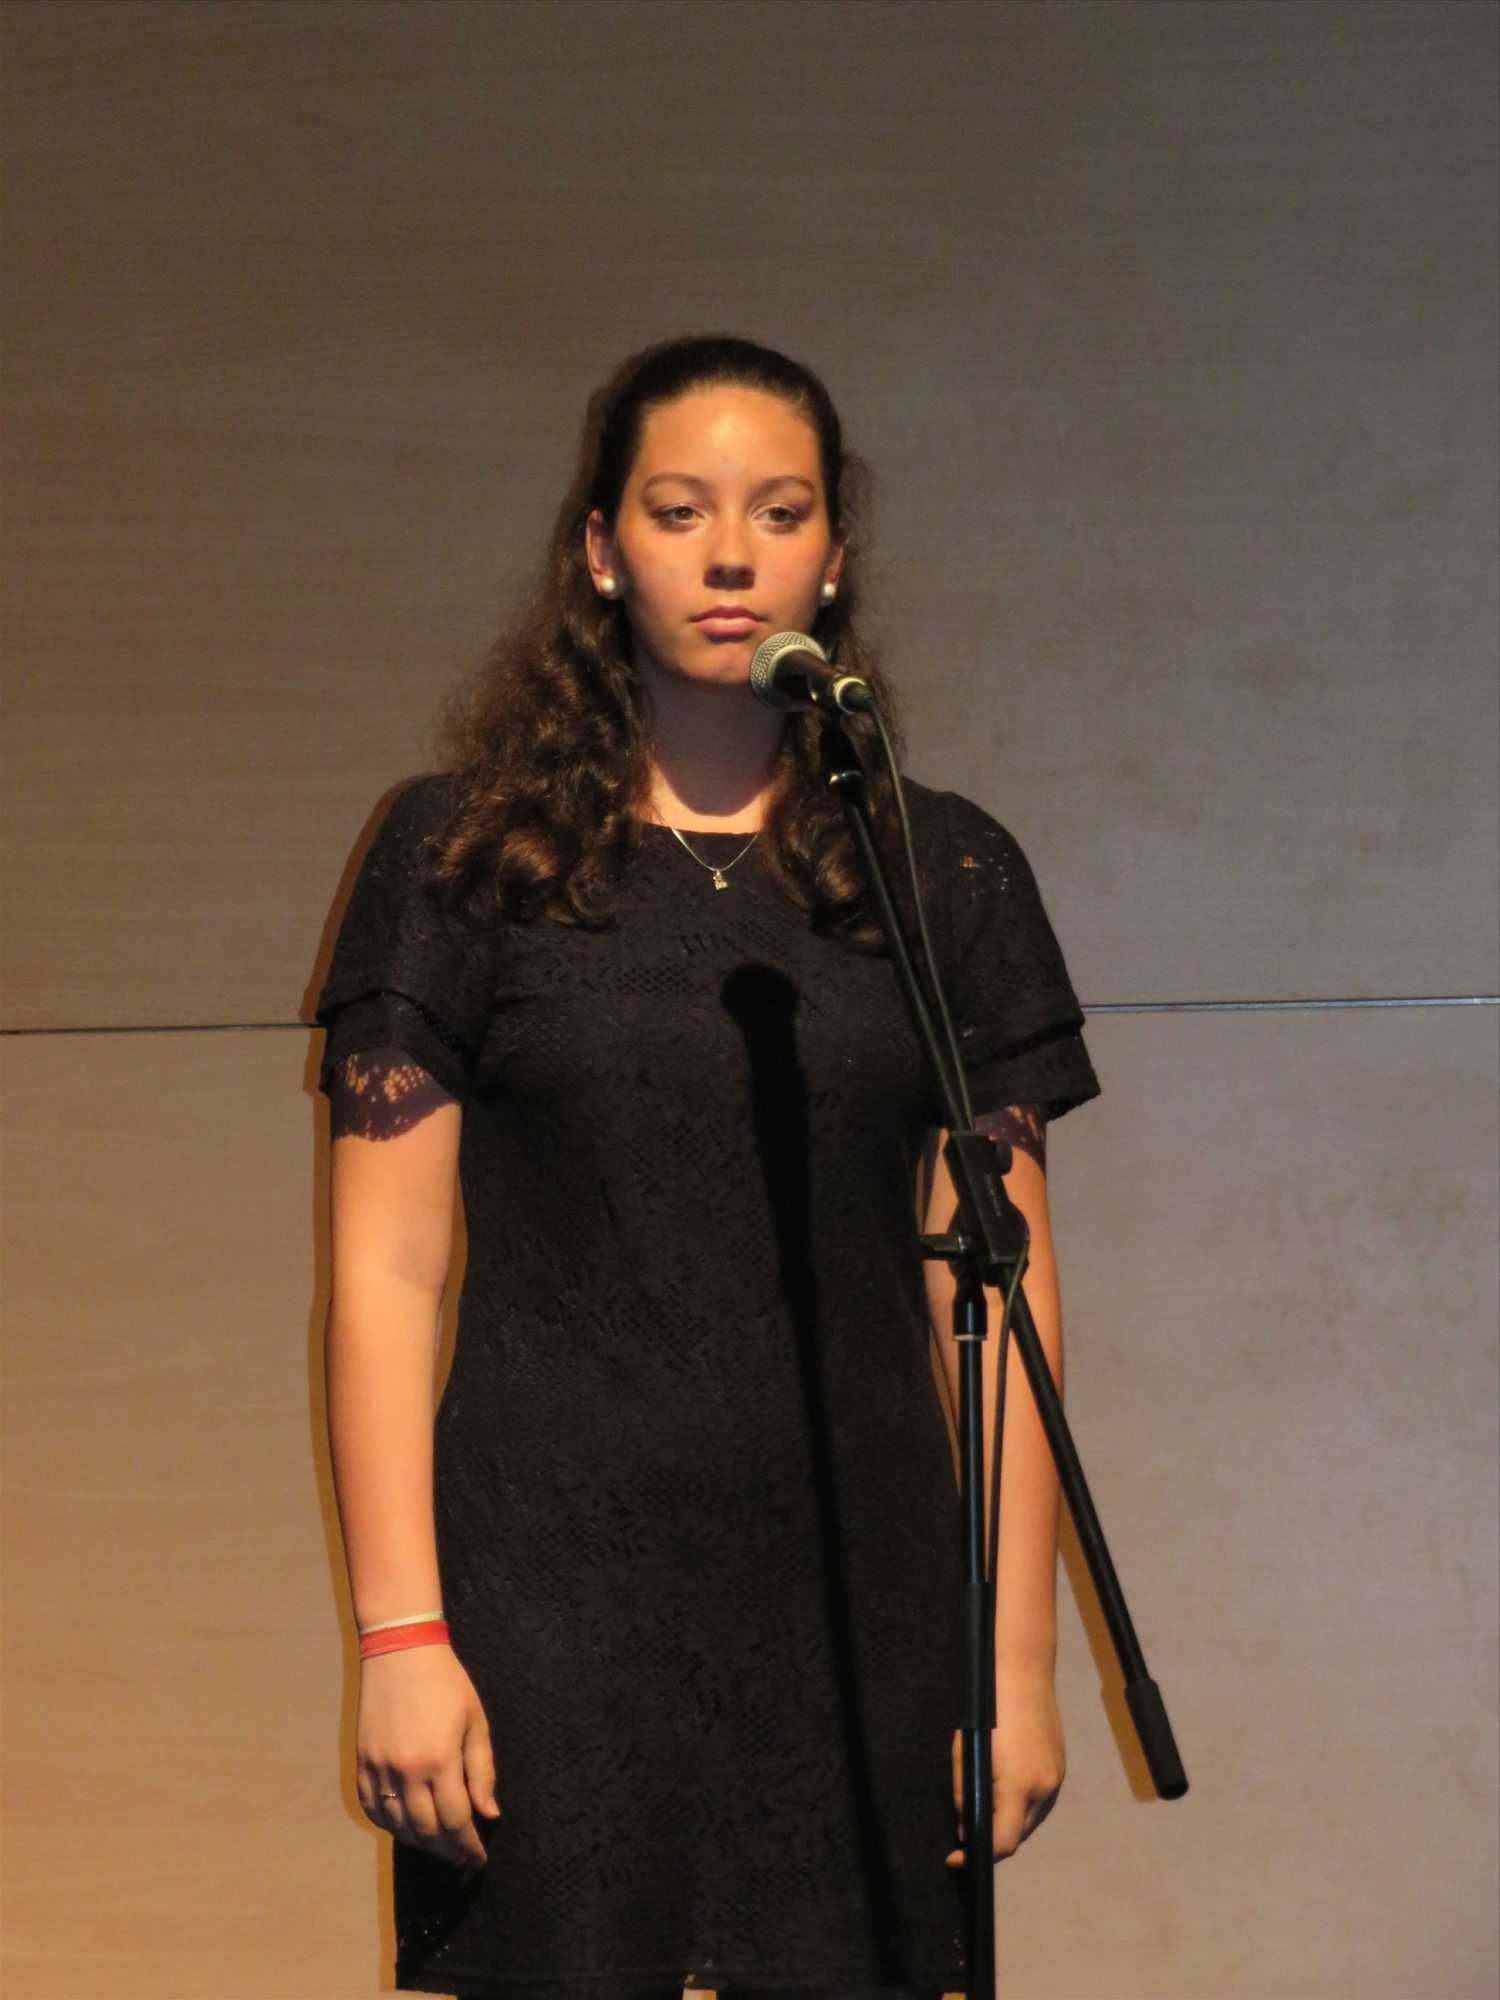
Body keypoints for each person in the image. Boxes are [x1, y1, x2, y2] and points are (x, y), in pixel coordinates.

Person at [314, 333, 1101, 2000]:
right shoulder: (466, 854)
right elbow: (386, 1269)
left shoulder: (941, 872)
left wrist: (1014, 1665)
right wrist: (401, 1636)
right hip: (551, 1591)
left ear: (836, 554)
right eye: (680, 512)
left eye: (778, 512)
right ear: (602, 550)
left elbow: (1008, 1295)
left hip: (860, 1592)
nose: (731, 555)